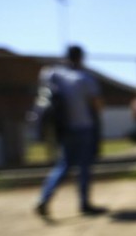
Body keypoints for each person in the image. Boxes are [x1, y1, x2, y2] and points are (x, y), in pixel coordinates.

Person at [35, 45, 106, 218]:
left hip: (63, 127)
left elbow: (44, 91)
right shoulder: (84, 78)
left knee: (64, 164)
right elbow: (96, 105)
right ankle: (84, 204)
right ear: (81, 58)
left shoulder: (53, 74)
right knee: (83, 166)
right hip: (84, 126)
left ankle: (44, 198)